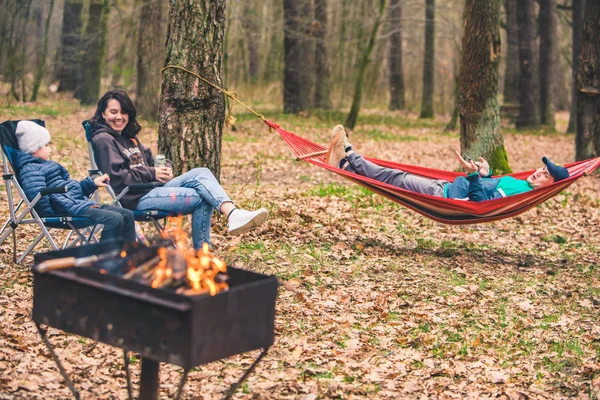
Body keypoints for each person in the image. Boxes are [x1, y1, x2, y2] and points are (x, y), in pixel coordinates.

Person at [88, 90, 268, 250]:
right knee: (202, 197)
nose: (119, 117)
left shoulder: (129, 138)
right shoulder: (103, 140)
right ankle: (203, 254)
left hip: (152, 188)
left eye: (124, 112)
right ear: (103, 113)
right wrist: (152, 173)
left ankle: (232, 214)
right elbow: (117, 177)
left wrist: (165, 168)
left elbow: (152, 160)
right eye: (113, 112)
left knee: (202, 172)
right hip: (133, 197)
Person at [327, 125, 570, 202]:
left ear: (549, 185)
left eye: (545, 174)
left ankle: (349, 156)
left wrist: (474, 175)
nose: (539, 172)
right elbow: (489, 189)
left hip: (444, 196)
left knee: (395, 177)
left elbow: (480, 203)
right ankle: (347, 164)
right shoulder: (521, 186)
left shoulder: (519, 195)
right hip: (447, 185)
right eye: (542, 168)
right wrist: (487, 173)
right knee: (396, 174)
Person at [14, 120, 136, 242]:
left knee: (127, 215)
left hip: (75, 204)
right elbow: (37, 196)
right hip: (65, 209)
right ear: (35, 149)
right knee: (114, 219)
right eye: (46, 145)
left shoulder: (48, 165)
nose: (50, 149)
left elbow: (70, 190)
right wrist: (53, 214)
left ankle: (129, 255)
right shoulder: (30, 169)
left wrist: (92, 183)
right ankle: (105, 257)